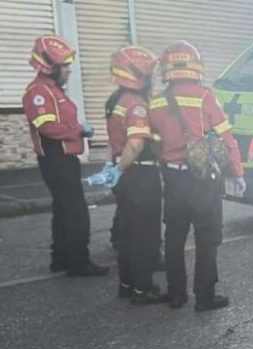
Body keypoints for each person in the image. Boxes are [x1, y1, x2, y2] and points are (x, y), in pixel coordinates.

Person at [149, 41, 245, 312]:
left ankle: (176, 294)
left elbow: (153, 139)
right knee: (207, 236)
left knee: (175, 237)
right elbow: (227, 137)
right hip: (202, 178)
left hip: (172, 177)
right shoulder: (204, 96)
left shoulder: (156, 100)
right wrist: (237, 172)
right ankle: (204, 297)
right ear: (194, 67)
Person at [22, 35, 108, 277]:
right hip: (55, 158)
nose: (69, 71)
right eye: (65, 66)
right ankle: (79, 262)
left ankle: (60, 258)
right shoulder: (39, 92)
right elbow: (46, 128)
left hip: (62, 158)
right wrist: (79, 130)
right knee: (76, 211)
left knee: (62, 209)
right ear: (50, 66)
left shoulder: (52, 90)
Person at [105, 45, 167, 305]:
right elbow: (135, 144)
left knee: (128, 234)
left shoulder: (115, 99)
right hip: (140, 175)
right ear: (139, 75)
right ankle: (143, 288)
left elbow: (115, 142)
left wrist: (115, 170)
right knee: (145, 234)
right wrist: (122, 169)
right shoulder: (136, 104)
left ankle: (128, 284)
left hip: (125, 175)